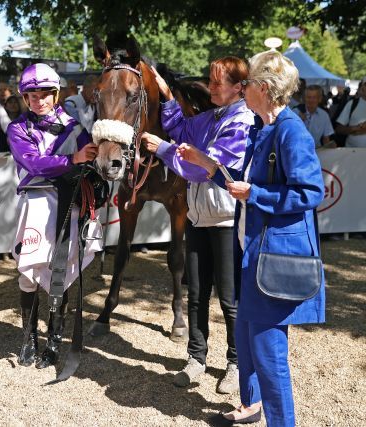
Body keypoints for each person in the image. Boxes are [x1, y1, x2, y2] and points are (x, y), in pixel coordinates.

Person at [178, 50, 325, 426]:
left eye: (248, 82)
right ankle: (251, 406)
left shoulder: (291, 131)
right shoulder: (262, 128)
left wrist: (255, 195)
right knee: (245, 337)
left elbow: (310, 193)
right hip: (252, 252)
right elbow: (237, 180)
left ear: (263, 87)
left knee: (268, 349)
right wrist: (204, 163)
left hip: (276, 258)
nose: (242, 88)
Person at [142, 57, 254, 394]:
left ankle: (236, 363)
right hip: (198, 217)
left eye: (219, 82)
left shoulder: (242, 121)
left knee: (230, 299)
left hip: (227, 219)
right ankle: (196, 357)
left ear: (239, 87)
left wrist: (163, 150)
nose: (212, 87)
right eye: (211, 80)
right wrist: (166, 94)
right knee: (196, 294)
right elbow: (179, 128)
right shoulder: (211, 117)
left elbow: (205, 168)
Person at [7, 63, 100, 369]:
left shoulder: (76, 127)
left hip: (69, 203)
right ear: (25, 97)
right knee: (29, 272)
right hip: (36, 201)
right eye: (32, 95)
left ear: (56, 94)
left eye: (46, 93)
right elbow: (33, 164)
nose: (39, 100)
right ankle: (28, 337)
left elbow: (93, 160)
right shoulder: (18, 128)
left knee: (62, 269)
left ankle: (55, 340)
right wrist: (72, 158)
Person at [335, 78, 366, 148]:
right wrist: (355, 128)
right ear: (362, 88)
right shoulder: (352, 104)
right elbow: (339, 129)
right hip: (352, 152)